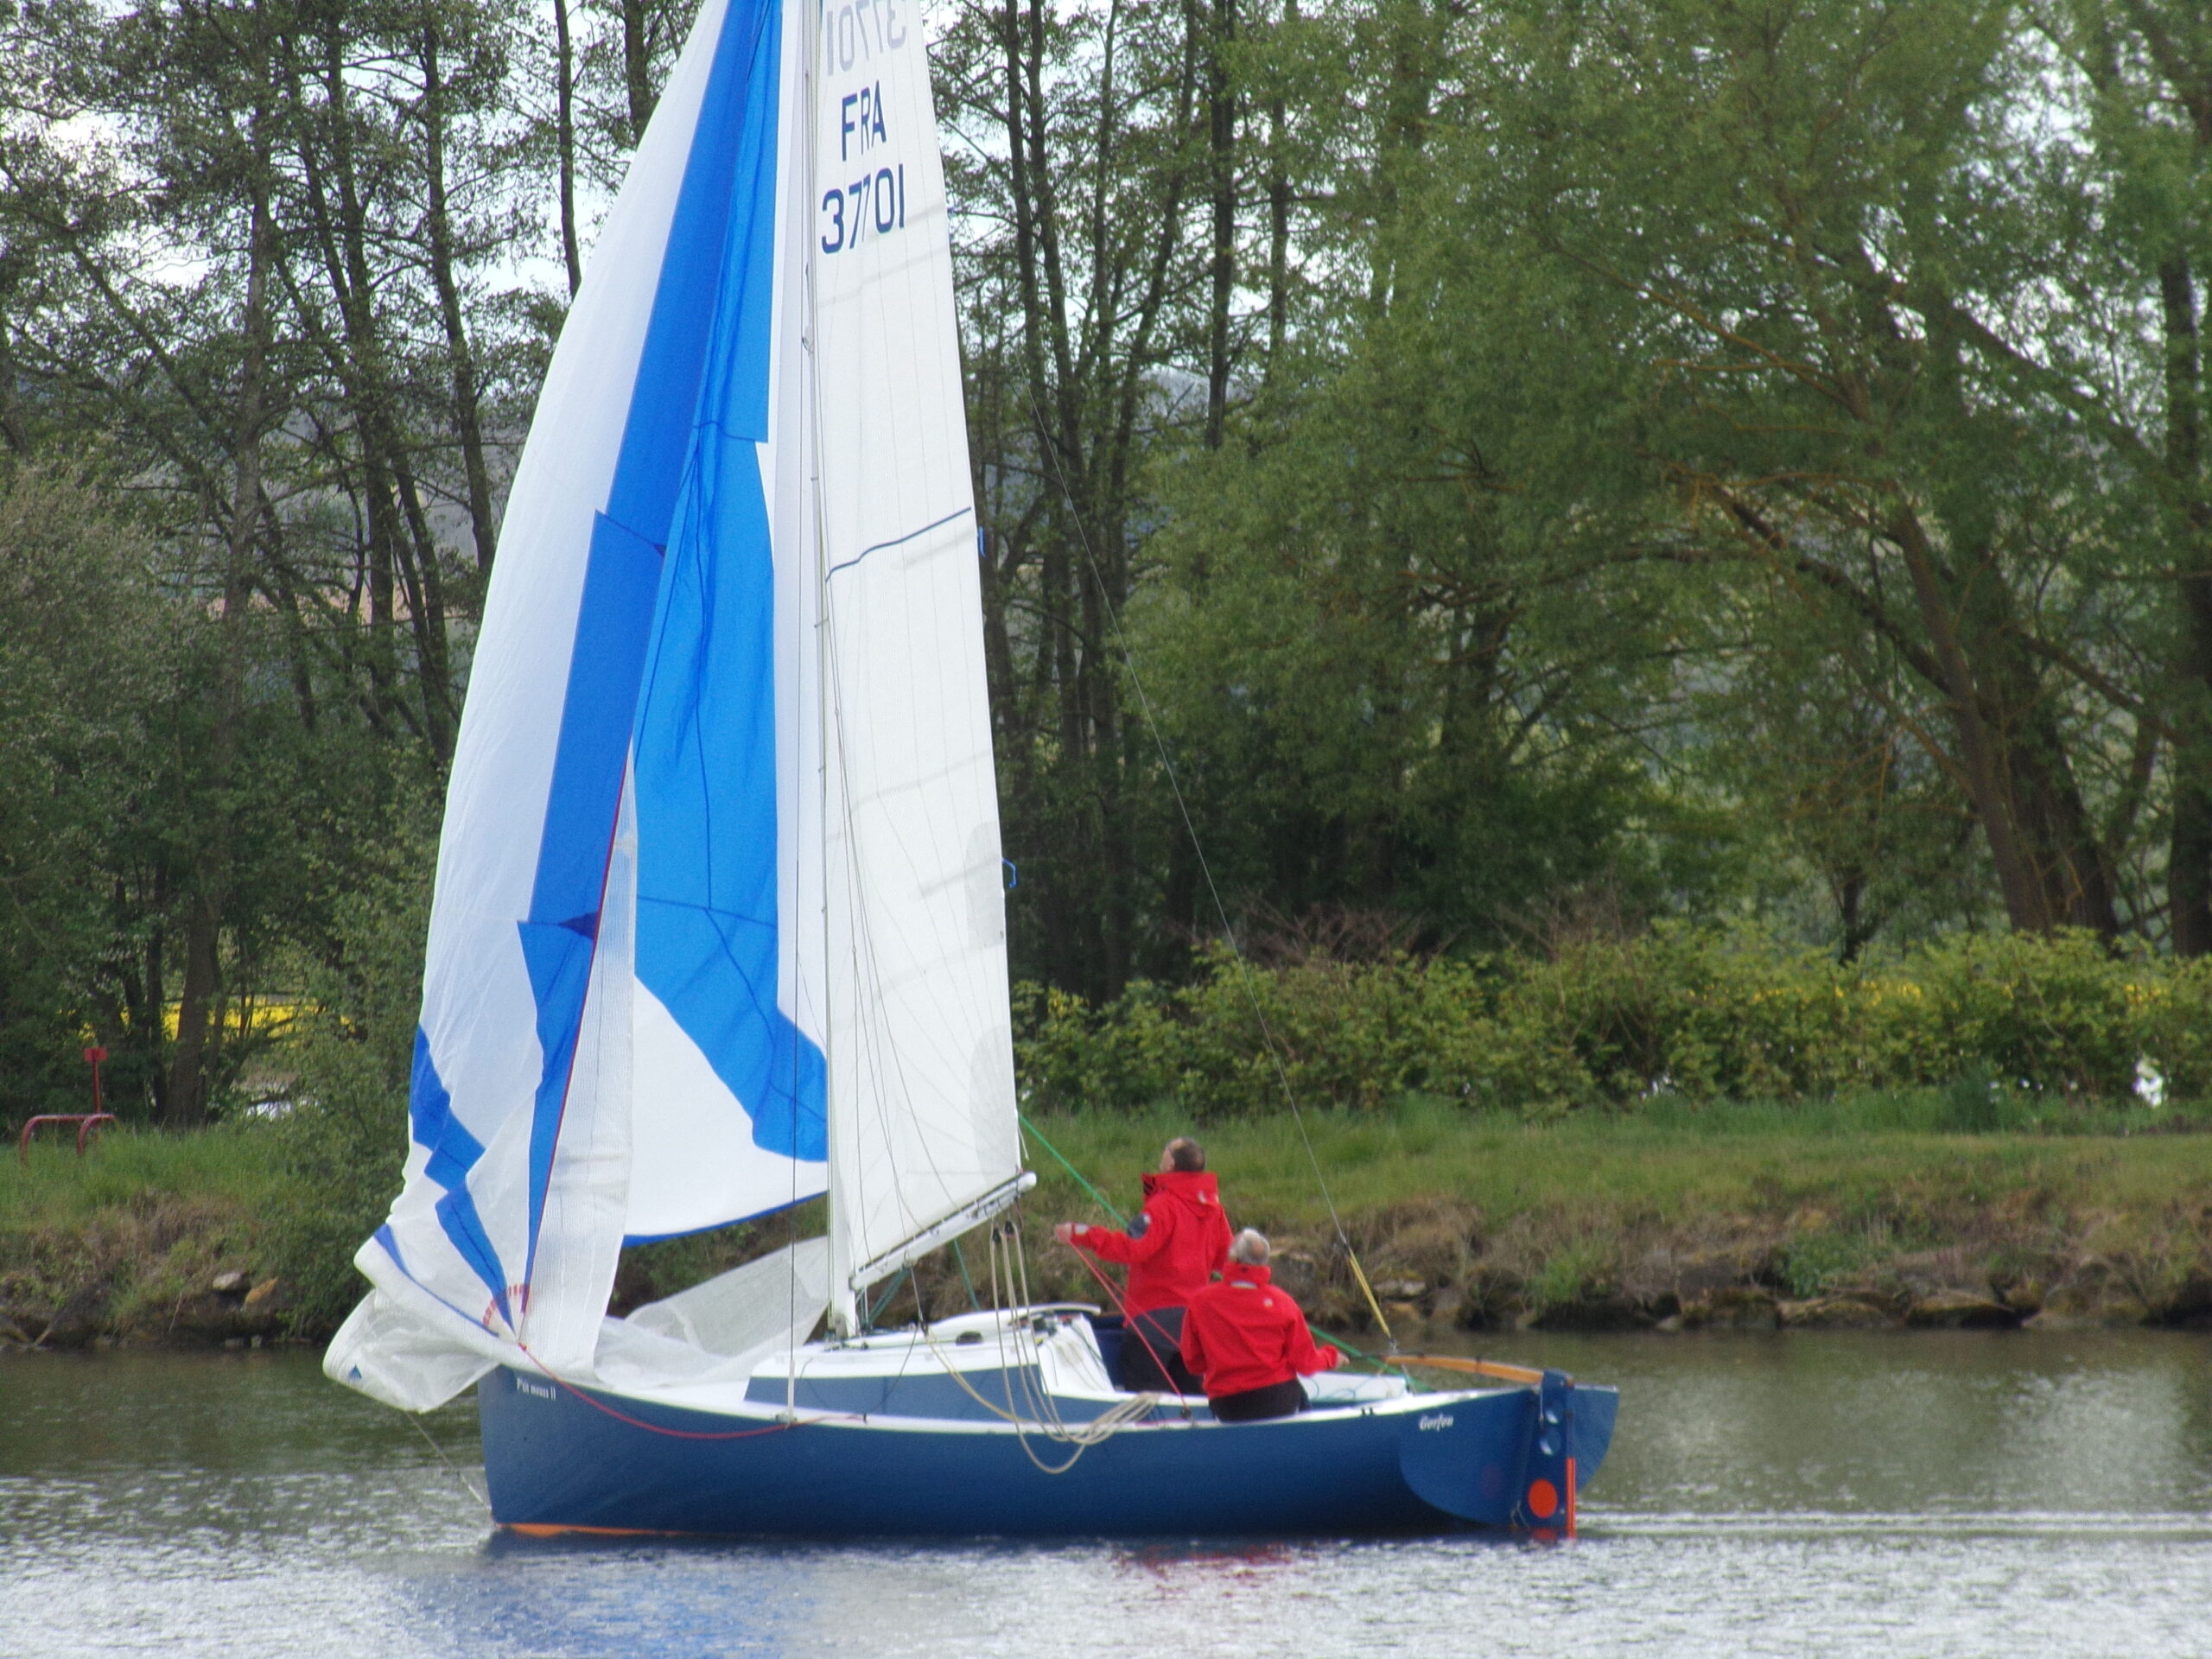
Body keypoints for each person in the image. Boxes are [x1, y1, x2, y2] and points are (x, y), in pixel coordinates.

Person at [1054, 1136, 1230, 1395]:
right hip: (1192, 1321)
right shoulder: (1214, 1210)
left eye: (1165, 1152)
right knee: (1192, 1396)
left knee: (1145, 1396)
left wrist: (1082, 1234)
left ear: (1170, 1163)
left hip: (1153, 1319)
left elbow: (1131, 1249)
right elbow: (1225, 1260)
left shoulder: (1163, 1206)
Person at [1179, 1229, 1340, 1423]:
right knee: (1300, 1399)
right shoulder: (1282, 1302)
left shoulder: (1200, 1302)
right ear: (1265, 1261)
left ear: (1233, 1257)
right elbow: (1305, 1363)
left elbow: (1193, 1363)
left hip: (1227, 1403)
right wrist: (1332, 1357)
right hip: (1276, 1397)